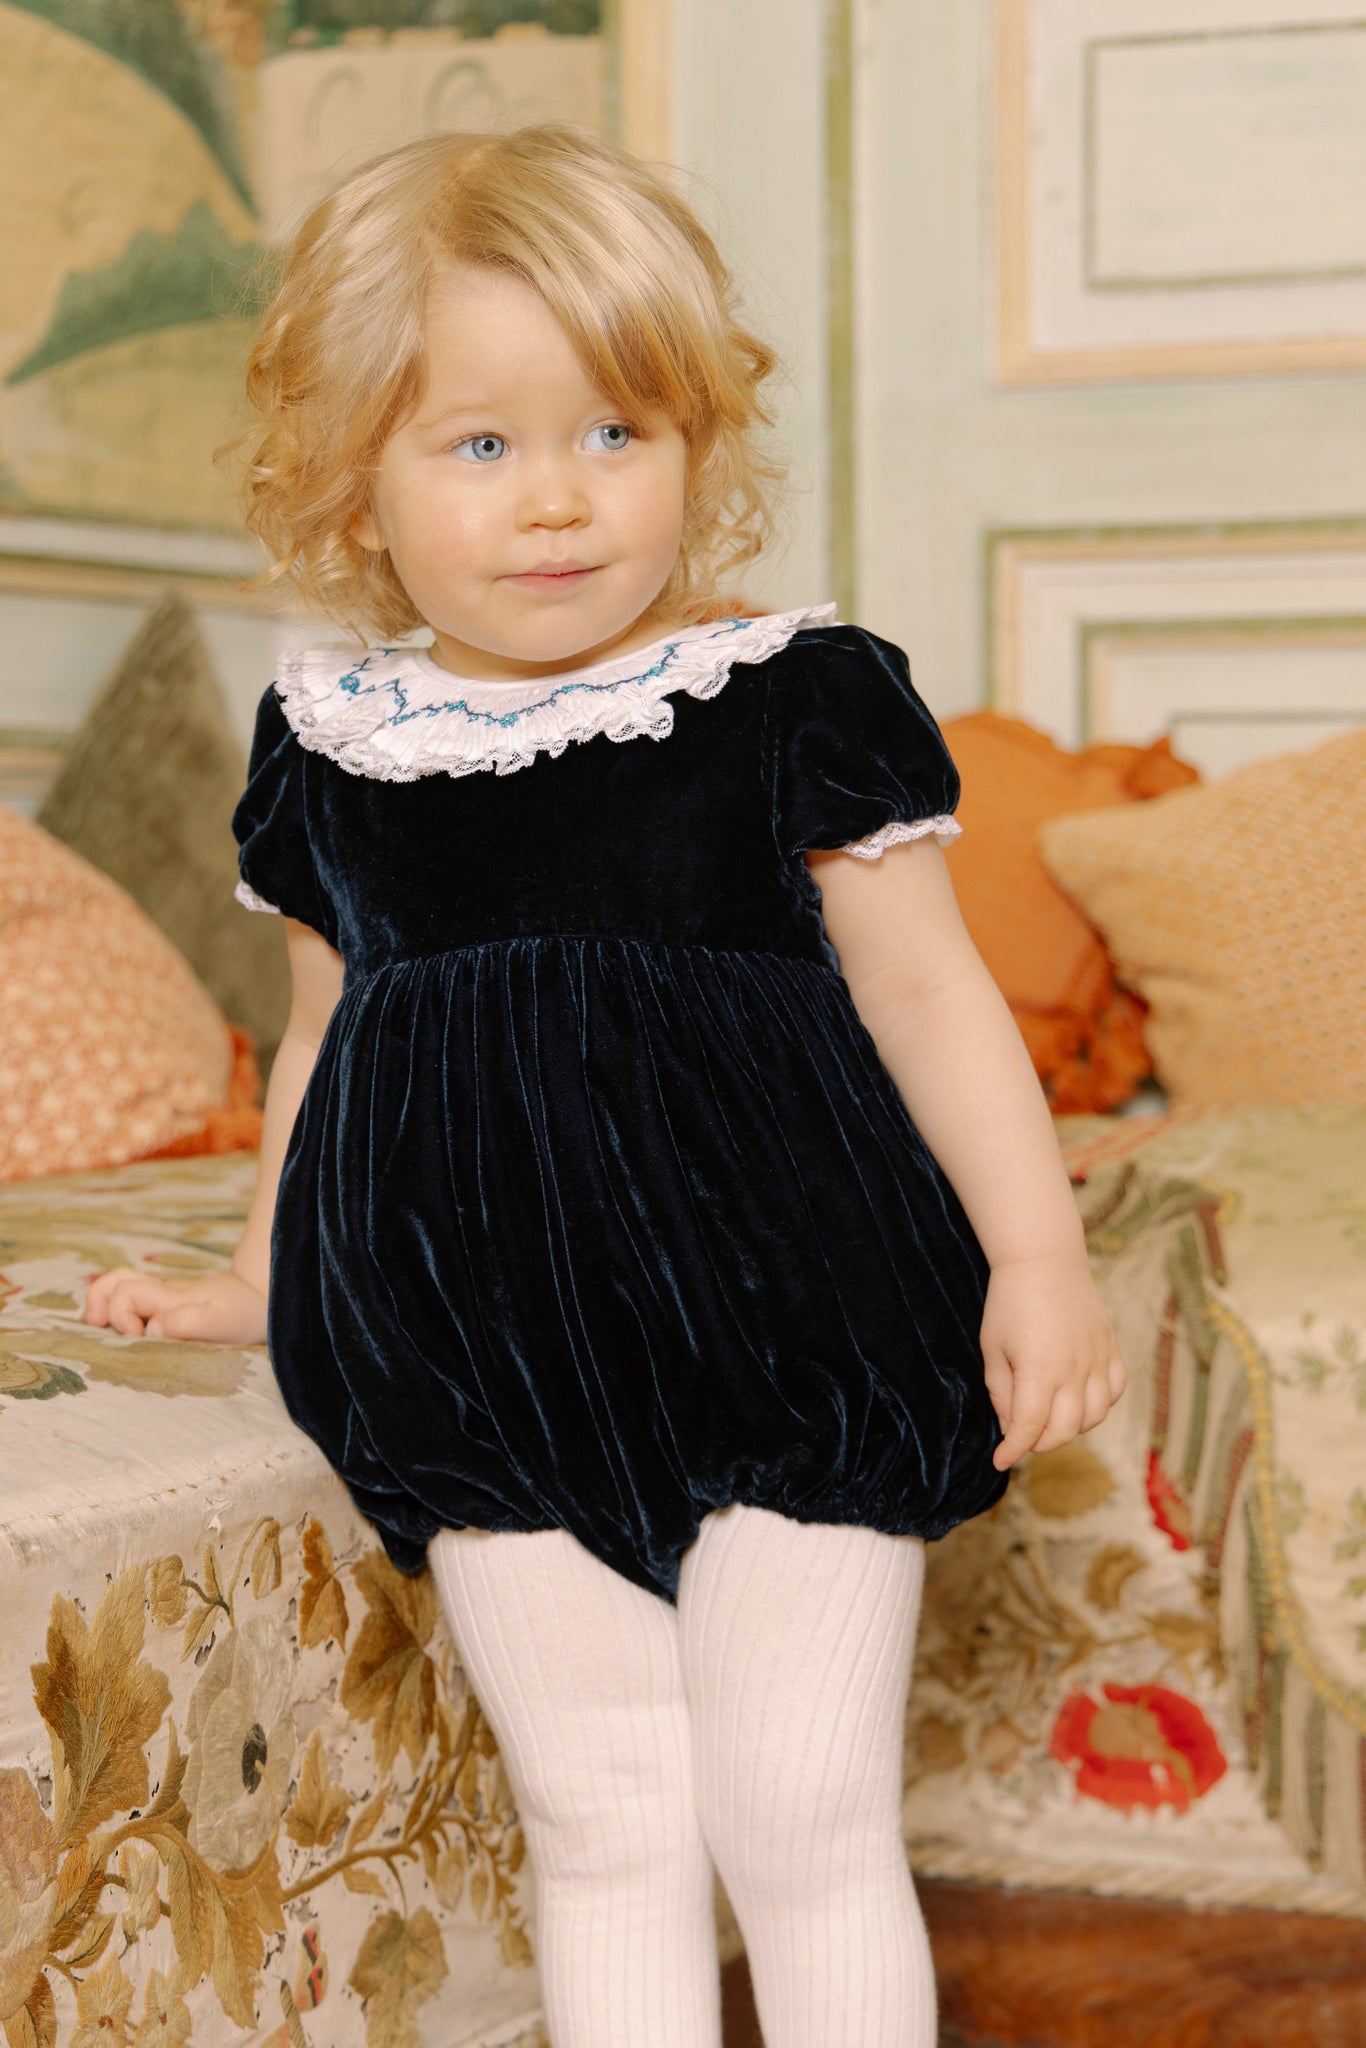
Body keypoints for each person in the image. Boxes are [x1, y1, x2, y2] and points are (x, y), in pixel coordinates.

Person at [85, 123, 1126, 2048]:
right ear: (354, 485)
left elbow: (929, 994)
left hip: (785, 1323)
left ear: (696, 447)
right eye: (480, 446)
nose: (557, 500)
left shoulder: (788, 694)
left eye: (615, 435)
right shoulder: (331, 742)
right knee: (603, 1812)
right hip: (470, 1359)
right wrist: (262, 1280)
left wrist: (1036, 1257)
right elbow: (323, 1039)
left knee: (797, 1808)